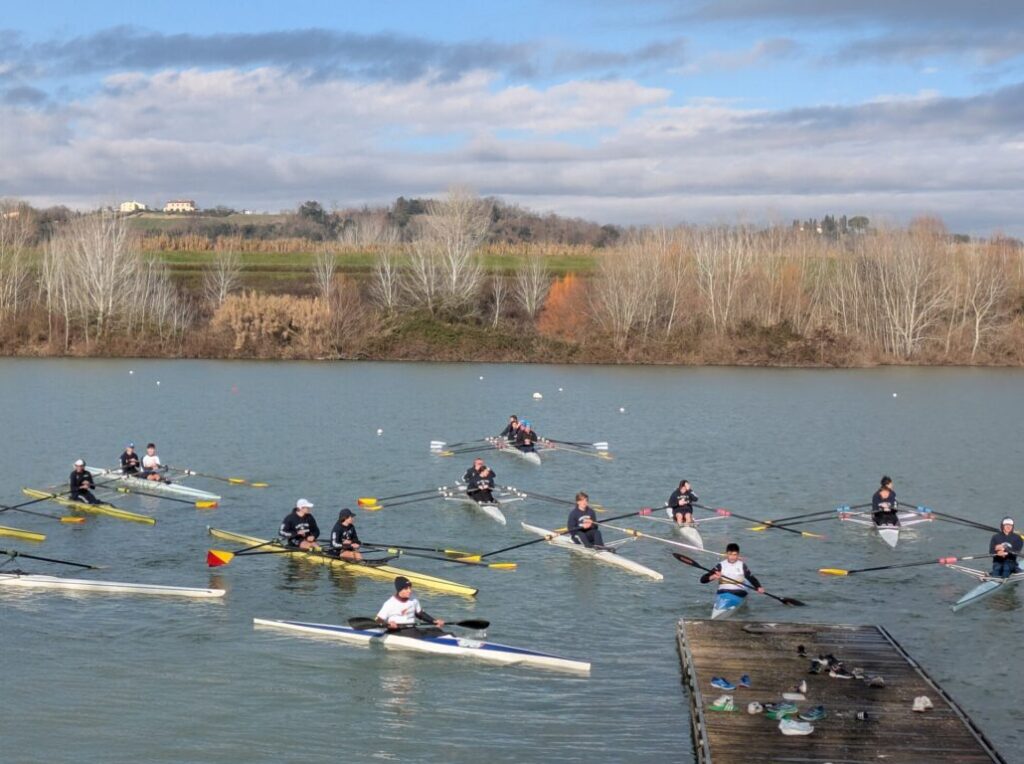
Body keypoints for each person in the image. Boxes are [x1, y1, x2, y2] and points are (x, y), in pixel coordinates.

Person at [376, 576, 445, 637]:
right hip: (396, 631)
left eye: (410, 588)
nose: (409, 591)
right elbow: (378, 621)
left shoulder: (413, 599)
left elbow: (420, 614)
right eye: (406, 588)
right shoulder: (390, 603)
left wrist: (434, 621)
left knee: (437, 630)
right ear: (399, 590)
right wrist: (388, 624)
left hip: (412, 629)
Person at [699, 543, 765, 601]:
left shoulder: (742, 565)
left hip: (738, 591)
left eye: (735, 555)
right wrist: (713, 576)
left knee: (742, 587)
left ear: (738, 555)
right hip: (723, 592)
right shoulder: (720, 565)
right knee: (723, 592)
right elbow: (702, 580)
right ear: (726, 554)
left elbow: (750, 578)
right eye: (730, 554)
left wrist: (758, 587)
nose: (732, 557)